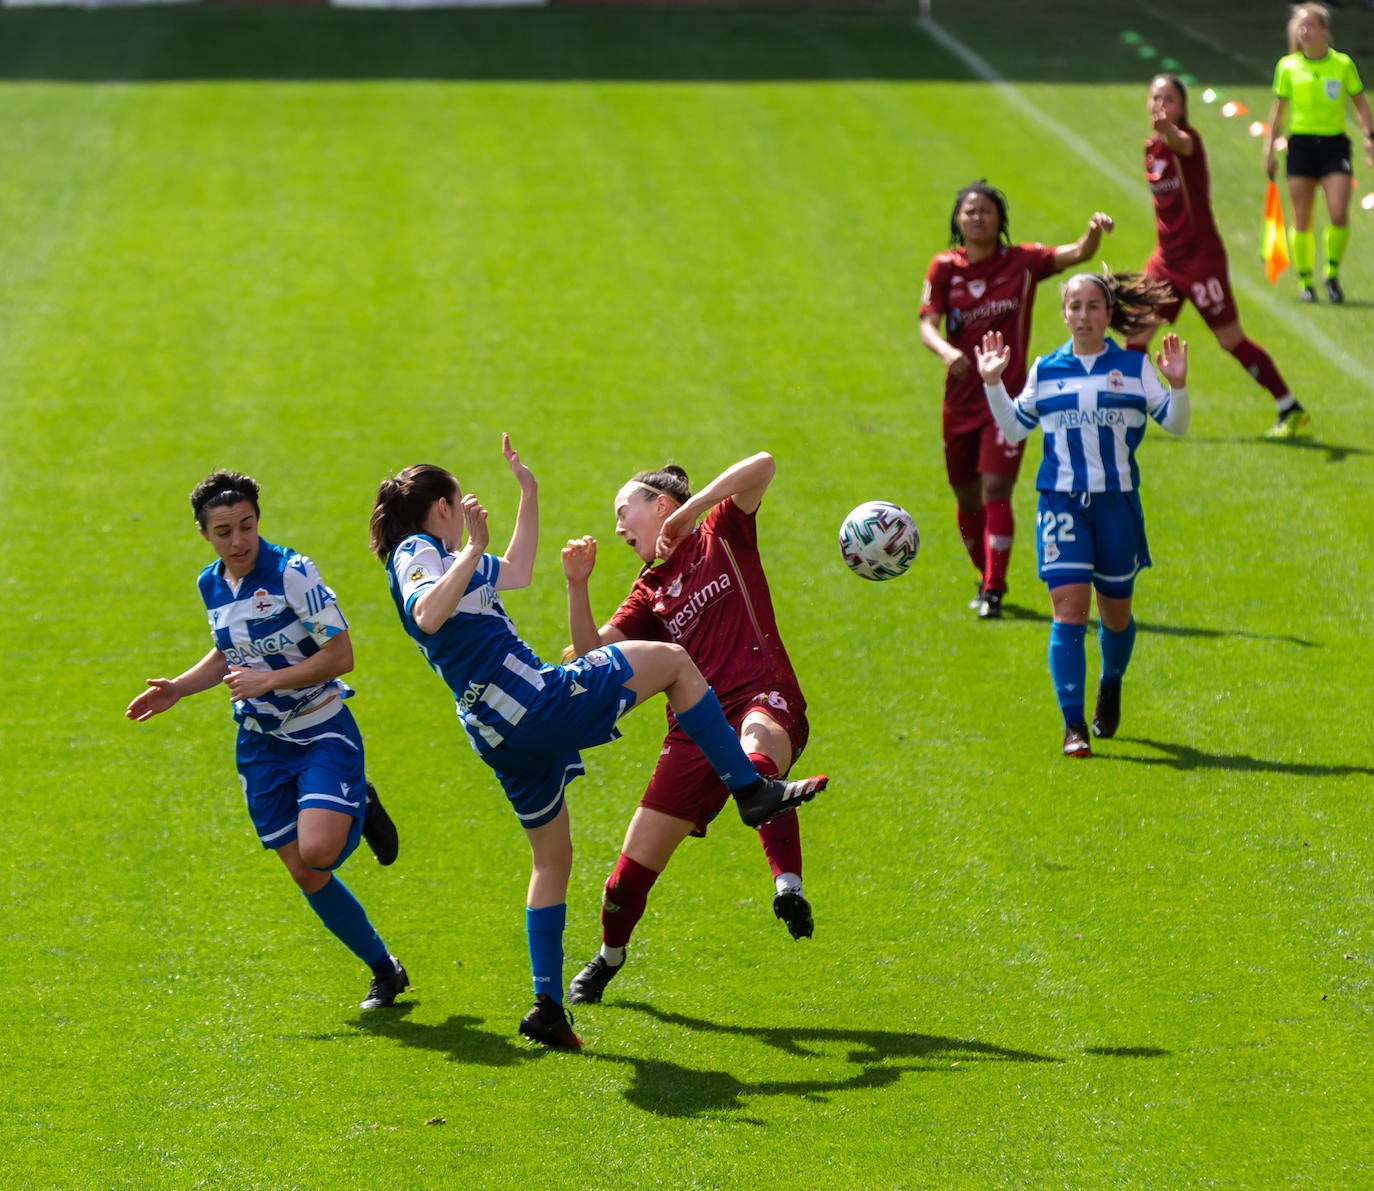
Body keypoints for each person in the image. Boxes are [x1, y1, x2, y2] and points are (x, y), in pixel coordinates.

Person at [368, 435, 827, 1050]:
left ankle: (547, 1006)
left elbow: (521, 571)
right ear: (443, 509)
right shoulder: (420, 551)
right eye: (459, 505)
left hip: (496, 733)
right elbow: (427, 613)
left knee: (552, 861)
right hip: (529, 702)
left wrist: (527, 494)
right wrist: (474, 546)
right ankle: (750, 791)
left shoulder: (454, 561)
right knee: (672, 662)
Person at [126, 471, 406, 1010]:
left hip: (320, 726)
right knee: (304, 872)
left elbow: (341, 654)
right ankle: (384, 969)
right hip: (260, 743)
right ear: (205, 534)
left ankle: (357, 803)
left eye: (247, 526)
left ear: (259, 521)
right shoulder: (211, 584)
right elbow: (228, 652)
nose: (238, 541)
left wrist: (270, 680)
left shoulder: (293, 573)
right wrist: (180, 689)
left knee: (319, 851)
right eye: (224, 531)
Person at [559, 452, 815, 1007]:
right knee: (624, 883)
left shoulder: (722, 529)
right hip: (692, 734)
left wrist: (693, 510)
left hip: (761, 697)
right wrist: (578, 586)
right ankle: (608, 958)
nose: (620, 527)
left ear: (662, 505)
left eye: (626, 512)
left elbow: (766, 463)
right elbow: (591, 656)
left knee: (755, 763)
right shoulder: (648, 589)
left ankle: (788, 887)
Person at [974, 274, 1191, 758]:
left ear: (1108, 314)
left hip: (1117, 506)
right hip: (1062, 504)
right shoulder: (1046, 369)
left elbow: (1176, 425)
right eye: (1076, 306)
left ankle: (1110, 681)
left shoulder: (1135, 367)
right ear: (1065, 314)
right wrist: (993, 383)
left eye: (1095, 306)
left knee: (1115, 617)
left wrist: (1176, 386)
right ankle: (1074, 726)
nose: (1085, 315)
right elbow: (1014, 425)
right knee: (1068, 613)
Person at [920, 180, 1115, 619]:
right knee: (966, 494)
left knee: (995, 488)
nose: (976, 218)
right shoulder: (944, 268)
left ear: (999, 219)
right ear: (957, 219)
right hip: (960, 401)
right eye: (969, 211)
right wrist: (948, 351)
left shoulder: (1022, 262)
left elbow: (1077, 254)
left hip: (1010, 399)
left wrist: (1094, 232)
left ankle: (993, 588)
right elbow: (927, 324)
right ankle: (986, 571)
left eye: (985, 211)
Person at [1136, 73, 1308, 441]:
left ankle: (1288, 405)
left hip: (1201, 259)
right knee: (1135, 335)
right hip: (1165, 260)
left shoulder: (1187, 141)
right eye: (1155, 98)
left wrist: (1169, 129)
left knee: (1230, 340)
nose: (1159, 105)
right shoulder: (1150, 147)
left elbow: (1179, 141)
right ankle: (1131, 409)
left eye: (1168, 99)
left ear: (1182, 107)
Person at [1263, 3, 1374, 304]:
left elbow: (1360, 103)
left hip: (1334, 146)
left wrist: (1369, 134)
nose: (1304, 31)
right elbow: (1279, 111)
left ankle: (1331, 273)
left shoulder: (1342, 65)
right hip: (1300, 147)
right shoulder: (1288, 67)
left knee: (1338, 212)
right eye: (1301, 26)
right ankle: (1306, 280)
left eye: (1311, 25)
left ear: (1325, 30)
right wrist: (1269, 148)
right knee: (1302, 216)